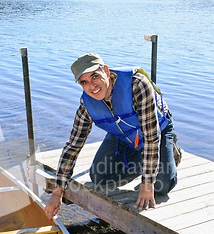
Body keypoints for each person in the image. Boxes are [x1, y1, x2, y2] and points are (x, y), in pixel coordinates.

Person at [45, 52, 181, 218]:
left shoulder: (137, 85)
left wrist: (147, 183)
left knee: (162, 186)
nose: (92, 85)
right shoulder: (86, 105)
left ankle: (169, 153)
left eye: (95, 76)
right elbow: (73, 146)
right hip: (122, 134)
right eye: (84, 82)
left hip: (156, 130)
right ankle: (147, 162)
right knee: (99, 177)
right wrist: (57, 192)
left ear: (107, 71)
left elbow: (151, 138)